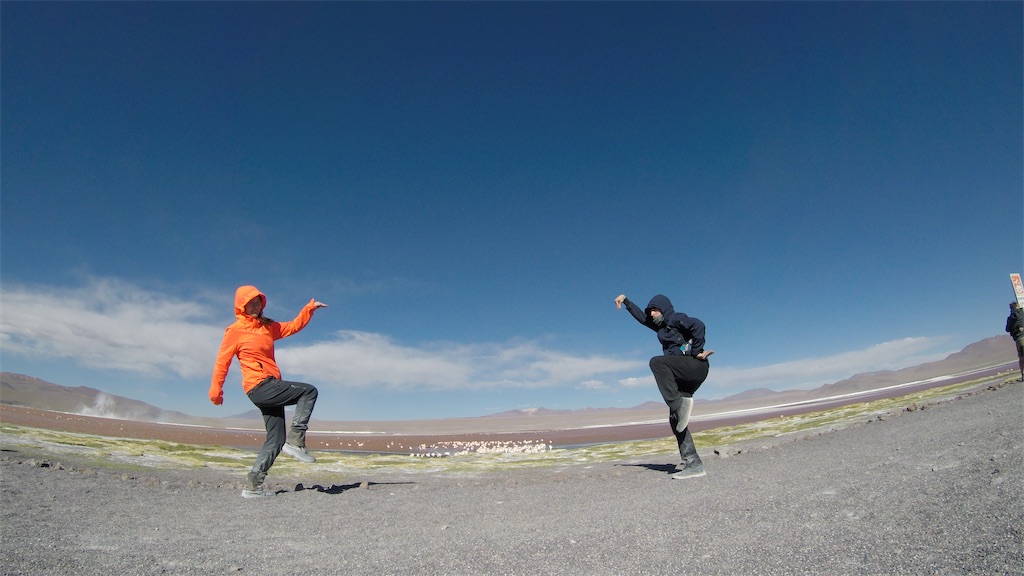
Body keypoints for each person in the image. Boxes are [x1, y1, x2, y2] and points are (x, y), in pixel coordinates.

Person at [209, 285, 328, 498]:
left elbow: (292, 327)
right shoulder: (234, 331)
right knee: (308, 392)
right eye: (250, 303)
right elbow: (222, 362)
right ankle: (297, 441)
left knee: (275, 439)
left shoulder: (267, 327)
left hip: (270, 385)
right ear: (241, 305)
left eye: (258, 302)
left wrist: (309, 309)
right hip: (259, 385)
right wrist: (216, 391)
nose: (255, 306)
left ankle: (253, 486)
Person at [615, 293, 714, 480]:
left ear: (664, 309)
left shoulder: (675, 318)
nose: (652, 314)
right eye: (650, 310)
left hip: (695, 366)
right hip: (683, 374)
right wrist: (626, 302)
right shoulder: (661, 327)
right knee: (675, 419)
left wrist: (697, 351)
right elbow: (642, 319)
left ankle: (678, 403)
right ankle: (693, 463)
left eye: (655, 310)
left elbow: (698, 325)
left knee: (657, 363)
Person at [1005, 302, 1024, 381]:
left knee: (1022, 358)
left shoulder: (1010, 318)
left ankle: (1023, 375)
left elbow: (1007, 329)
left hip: (1019, 339)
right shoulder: (1022, 314)